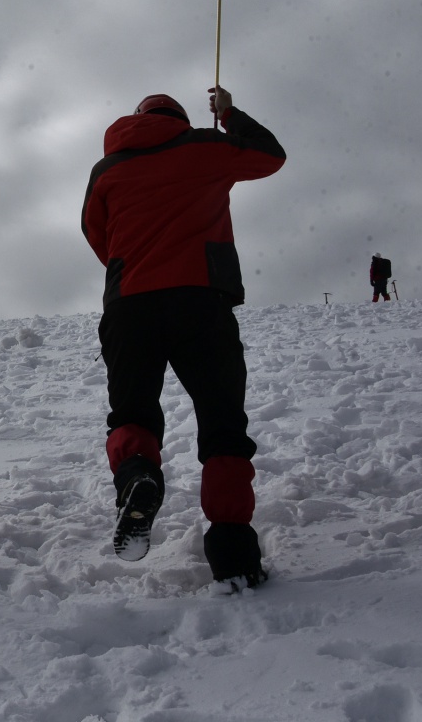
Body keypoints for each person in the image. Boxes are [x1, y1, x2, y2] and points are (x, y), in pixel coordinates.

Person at [81, 87, 285, 589]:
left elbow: (97, 235)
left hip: (130, 306)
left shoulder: (106, 169)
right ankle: (233, 554)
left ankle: (137, 475)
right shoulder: (205, 145)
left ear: (136, 118)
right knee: (222, 424)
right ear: (180, 118)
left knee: (132, 412)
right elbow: (270, 156)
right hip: (201, 300)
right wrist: (228, 114)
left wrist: (137, 262)